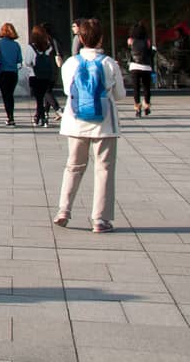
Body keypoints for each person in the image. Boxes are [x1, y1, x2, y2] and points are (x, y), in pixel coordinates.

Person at [54, 16, 129, 233]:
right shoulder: (109, 63)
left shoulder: (71, 63)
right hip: (104, 124)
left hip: (75, 123)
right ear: (101, 38)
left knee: (73, 167)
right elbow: (121, 95)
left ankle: (63, 210)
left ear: (81, 38)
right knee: (104, 169)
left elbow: (69, 91)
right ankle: (100, 219)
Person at [0, 23, 23, 127]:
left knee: (6, 95)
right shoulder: (16, 45)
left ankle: (10, 117)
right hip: (13, 73)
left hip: (2, 73)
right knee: (10, 95)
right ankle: (11, 116)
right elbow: (19, 60)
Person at [27, 24, 61, 127]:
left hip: (34, 75)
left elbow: (27, 62)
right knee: (43, 95)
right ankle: (40, 117)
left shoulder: (31, 47)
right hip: (46, 74)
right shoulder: (48, 46)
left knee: (39, 98)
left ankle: (41, 118)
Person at [126, 22, 154, 117]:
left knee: (136, 89)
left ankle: (138, 108)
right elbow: (150, 53)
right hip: (146, 67)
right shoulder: (147, 41)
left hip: (134, 66)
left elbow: (129, 51)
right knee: (146, 88)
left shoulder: (130, 40)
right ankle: (146, 106)